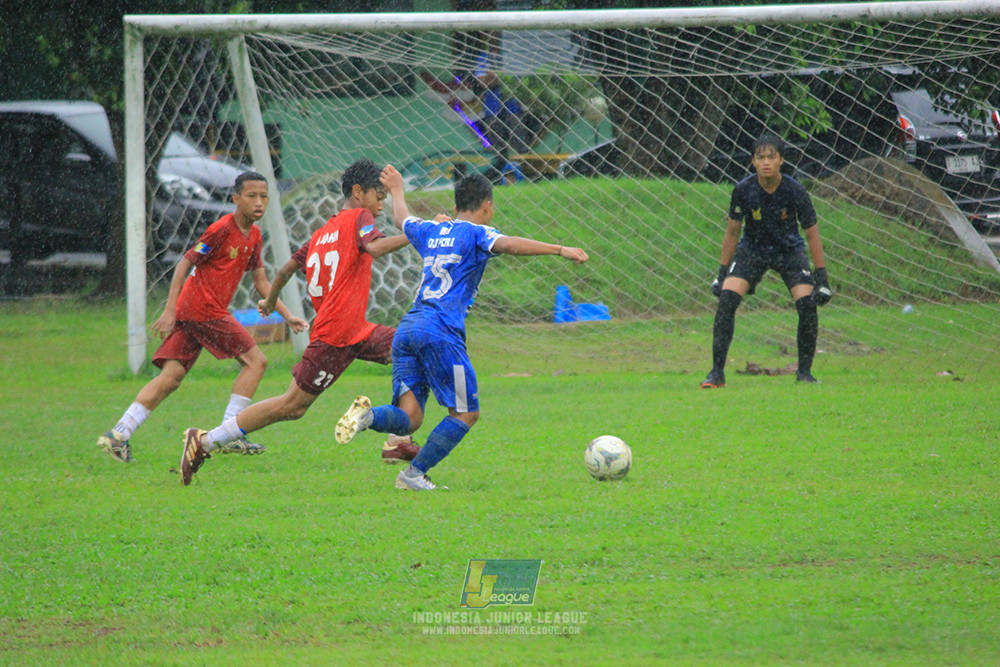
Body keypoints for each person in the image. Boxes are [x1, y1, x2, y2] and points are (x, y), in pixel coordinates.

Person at [332, 165, 588, 491]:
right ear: (487, 206)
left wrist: (397, 189)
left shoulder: (432, 230)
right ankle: (413, 475)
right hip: (440, 332)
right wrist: (560, 249)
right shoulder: (478, 233)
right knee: (466, 412)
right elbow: (509, 244)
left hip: (408, 329)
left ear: (455, 207)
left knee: (409, 418)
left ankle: (367, 417)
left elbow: (402, 220)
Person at [179, 159, 420, 485]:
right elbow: (375, 247)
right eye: (379, 197)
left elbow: (284, 271)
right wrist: (416, 234)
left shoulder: (320, 234)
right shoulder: (359, 217)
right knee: (292, 406)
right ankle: (206, 440)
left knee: (412, 348)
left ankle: (398, 439)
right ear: (358, 192)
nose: (380, 206)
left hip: (356, 330)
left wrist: (270, 300)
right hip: (334, 336)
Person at [97, 171, 309, 462]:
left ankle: (119, 433)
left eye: (264, 196)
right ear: (236, 199)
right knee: (256, 362)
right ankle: (230, 433)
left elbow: (261, 282)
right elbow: (184, 264)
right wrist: (170, 309)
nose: (259, 202)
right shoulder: (221, 228)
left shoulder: (255, 236)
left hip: (195, 311)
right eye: (251, 196)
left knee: (171, 377)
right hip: (203, 309)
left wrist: (287, 315)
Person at [702, 134, 832, 389]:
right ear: (753, 161)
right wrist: (722, 272)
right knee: (727, 299)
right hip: (753, 250)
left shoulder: (795, 190)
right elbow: (733, 231)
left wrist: (821, 277)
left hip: (789, 250)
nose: (766, 163)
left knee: (807, 304)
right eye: (760, 158)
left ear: (781, 160)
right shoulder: (743, 190)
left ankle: (804, 373)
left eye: (771, 157)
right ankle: (716, 373)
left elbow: (812, 233)